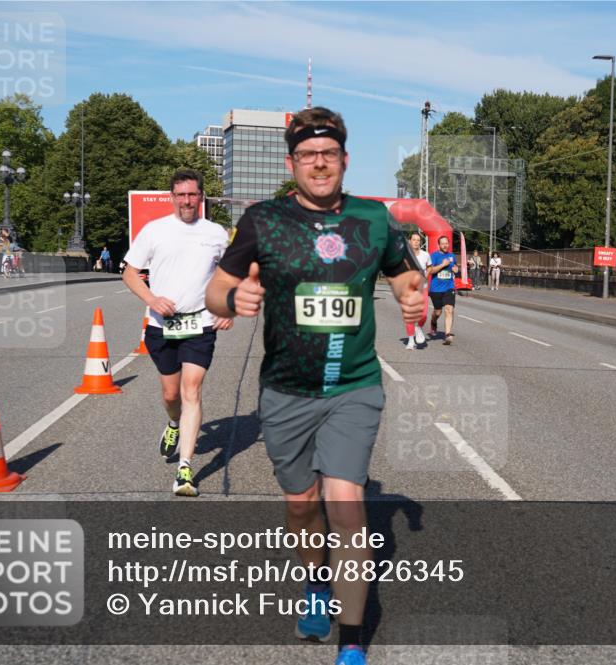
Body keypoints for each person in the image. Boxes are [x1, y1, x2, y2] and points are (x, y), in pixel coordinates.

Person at [205, 106, 423, 665]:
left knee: (345, 505)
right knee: (302, 505)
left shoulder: (374, 220)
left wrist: (411, 293)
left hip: (354, 386)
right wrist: (235, 299)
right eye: (308, 155)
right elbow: (216, 291)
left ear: (344, 160)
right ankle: (315, 586)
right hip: (286, 391)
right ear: (292, 162)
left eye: (328, 154)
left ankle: (351, 646)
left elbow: (403, 271)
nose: (319, 163)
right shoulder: (262, 220)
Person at [122, 168, 234, 498]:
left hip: (200, 324)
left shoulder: (216, 233)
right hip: (162, 326)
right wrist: (152, 298)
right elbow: (130, 274)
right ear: (173, 197)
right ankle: (173, 424)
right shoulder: (154, 231)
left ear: (201, 197)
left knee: (191, 391)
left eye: (193, 194)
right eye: (181, 195)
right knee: (172, 396)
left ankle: (184, 469)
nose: (187, 200)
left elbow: (230, 276)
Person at [428, 235, 459, 345]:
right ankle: (433, 322)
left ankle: (447, 334)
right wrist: (442, 265)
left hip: (449, 287)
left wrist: (456, 270)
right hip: (435, 289)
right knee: (438, 311)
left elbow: (455, 267)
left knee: (449, 309)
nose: (445, 245)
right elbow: (430, 271)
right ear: (439, 245)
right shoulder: (434, 256)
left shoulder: (452, 256)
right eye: (443, 243)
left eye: (447, 243)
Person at [403, 231, 431, 349]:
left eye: (418, 240)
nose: (416, 242)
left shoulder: (425, 255)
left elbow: (430, 267)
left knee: (423, 314)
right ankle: (410, 340)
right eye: (414, 240)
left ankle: (418, 328)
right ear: (410, 241)